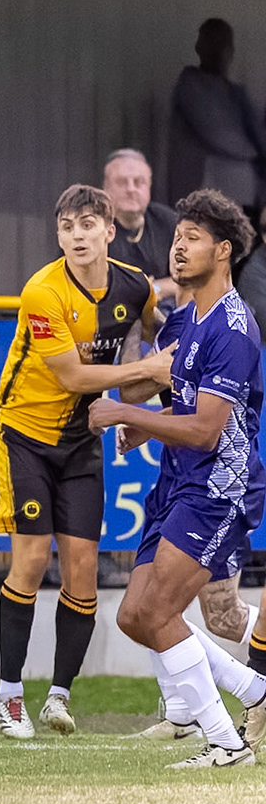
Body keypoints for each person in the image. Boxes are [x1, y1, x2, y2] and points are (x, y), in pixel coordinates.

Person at [89, 190, 266, 769]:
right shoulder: (187, 319)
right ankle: (254, 689)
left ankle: (224, 740)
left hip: (218, 486)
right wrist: (148, 415)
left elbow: (211, 431)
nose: (178, 247)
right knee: (134, 616)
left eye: (192, 238)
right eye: (177, 236)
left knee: (162, 614)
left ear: (224, 251)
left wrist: (124, 414)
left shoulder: (233, 329)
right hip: (178, 483)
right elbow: (161, 393)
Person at [0, 185, 167, 739]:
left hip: (81, 441)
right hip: (23, 435)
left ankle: (58, 698)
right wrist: (149, 374)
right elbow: (74, 378)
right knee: (32, 560)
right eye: (66, 226)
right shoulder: (43, 291)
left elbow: (154, 335)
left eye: (87, 224)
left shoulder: (136, 286)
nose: (77, 235)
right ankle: (9, 696)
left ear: (110, 232)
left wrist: (154, 373)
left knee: (84, 573)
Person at [166, 19, 266, 210]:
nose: (219, 50)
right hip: (205, 196)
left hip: (245, 196)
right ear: (199, 47)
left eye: (224, 44)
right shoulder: (190, 84)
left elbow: (259, 135)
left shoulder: (236, 93)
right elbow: (218, 132)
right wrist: (255, 154)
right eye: (211, 42)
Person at [101, 149, 179, 306]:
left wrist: (154, 288)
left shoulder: (167, 220)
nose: (131, 189)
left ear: (149, 186)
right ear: (106, 188)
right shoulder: (93, 226)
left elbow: (194, 279)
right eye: (122, 182)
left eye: (139, 182)